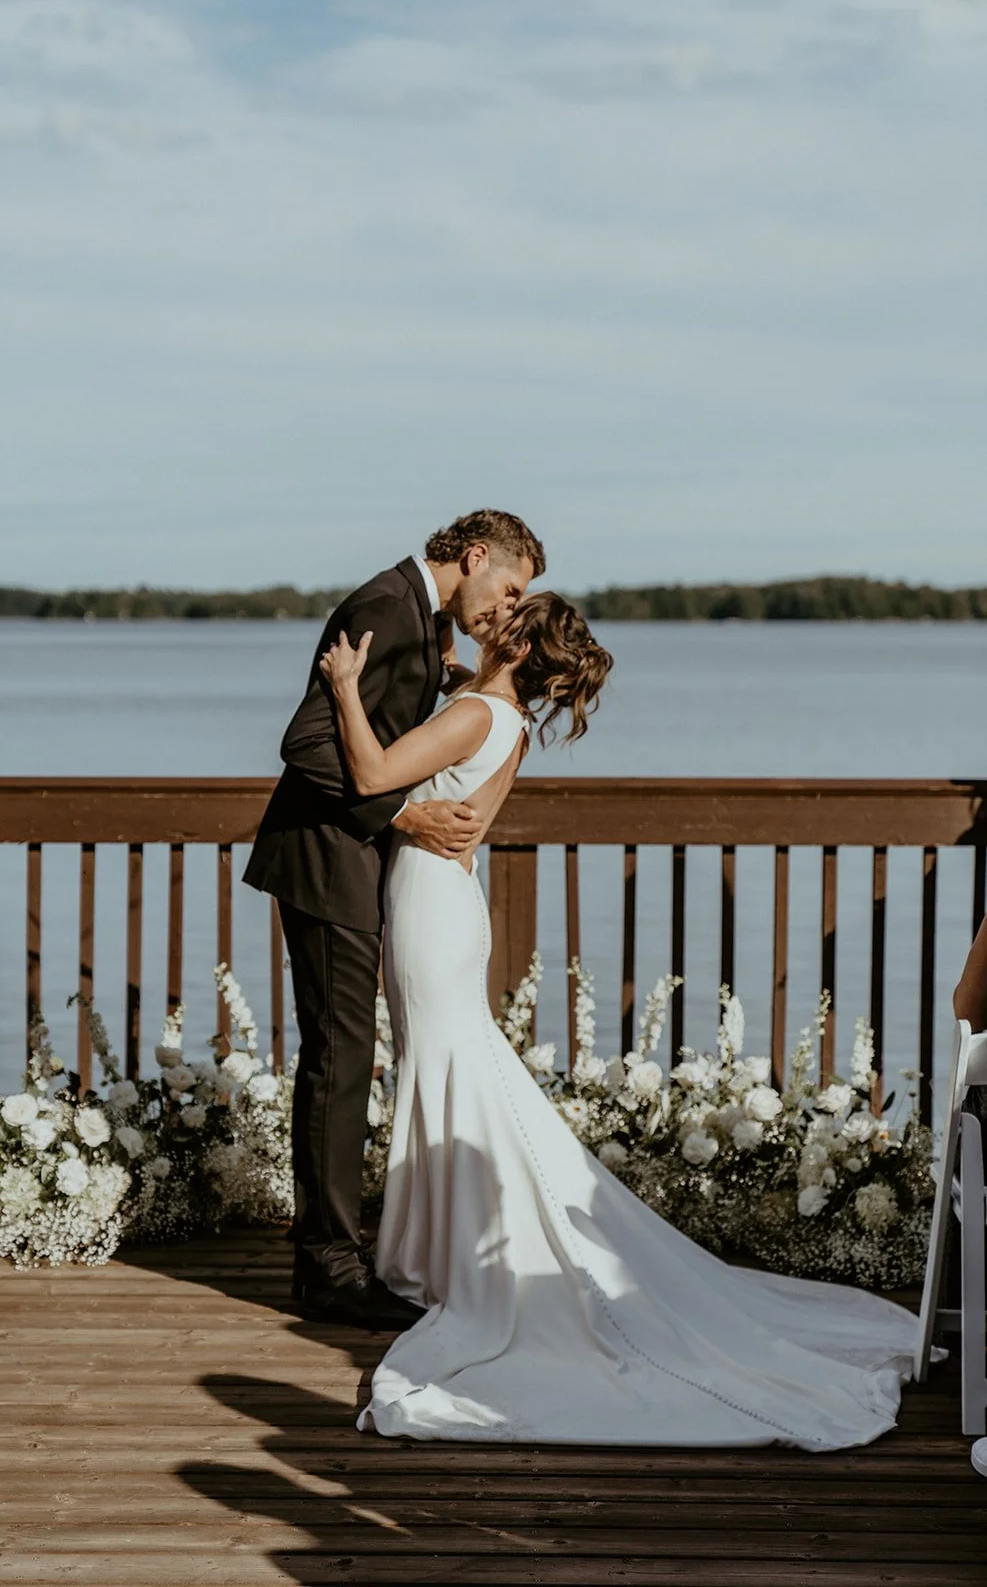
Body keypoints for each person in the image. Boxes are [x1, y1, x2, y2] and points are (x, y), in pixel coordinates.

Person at [320, 593, 928, 1451]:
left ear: (521, 640)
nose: (496, 611)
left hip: (429, 904)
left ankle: (446, 1256)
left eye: (511, 609)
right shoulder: (505, 717)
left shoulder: (470, 715)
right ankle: (440, 1246)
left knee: (450, 1068)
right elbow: (467, 715)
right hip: (446, 904)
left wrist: (348, 687)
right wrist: (459, 665)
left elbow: (375, 778)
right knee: (454, 1068)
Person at [242, 510, 545, 1328]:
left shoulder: (415, 617)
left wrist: (447, 681)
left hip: (354, 862)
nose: (510, 608)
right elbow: (306, 744)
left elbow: (378, 726)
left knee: (344, 1055)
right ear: (475, 556)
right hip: (325, 861)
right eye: (510, 587)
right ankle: (329, 1268)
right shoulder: (383, 607)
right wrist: (407, 819)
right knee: (340, 1060)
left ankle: (339, 1251)